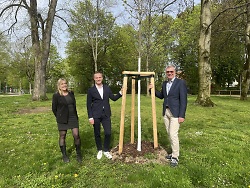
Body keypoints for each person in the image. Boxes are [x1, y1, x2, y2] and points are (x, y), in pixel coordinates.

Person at [149, 65, 187, 167]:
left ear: (175, 72)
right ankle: (172, 153)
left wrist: (182, 115)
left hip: (175, 113)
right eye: (167, 72)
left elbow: (184, 100)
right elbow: (162, 96)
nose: (169, 73)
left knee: (173, 134)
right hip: (166, 112)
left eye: (171, 71)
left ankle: (175, 157)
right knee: (169, 134)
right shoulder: (164, 83)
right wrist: (152, 90)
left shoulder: (180, 83)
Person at [87, 72, 122, 160]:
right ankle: (99, 149)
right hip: (96, 114)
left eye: (100, 77)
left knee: (108, 132)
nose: (98, 79)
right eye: (96, 78)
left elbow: (113, 98)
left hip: (106, 114)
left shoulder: (107, 88)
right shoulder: (91, 90)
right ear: (94, 79)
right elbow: (88, 104)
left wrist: (120, 93)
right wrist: (90, 117)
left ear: (102, 78)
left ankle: (106, 149)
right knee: (97, 133)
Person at [52, 78, 82, 163]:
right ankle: (64, 155)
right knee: (62, 135)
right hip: (62, 118)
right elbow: (54, 108)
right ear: (59, 86)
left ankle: (79, 154)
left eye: (65, 83)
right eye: (62, 84)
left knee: (76, 135)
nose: (64, 85)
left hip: (73, 117)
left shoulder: (71, 93)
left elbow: (74, 105)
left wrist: (76, 116)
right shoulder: (56, 95)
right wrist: (59, 117)